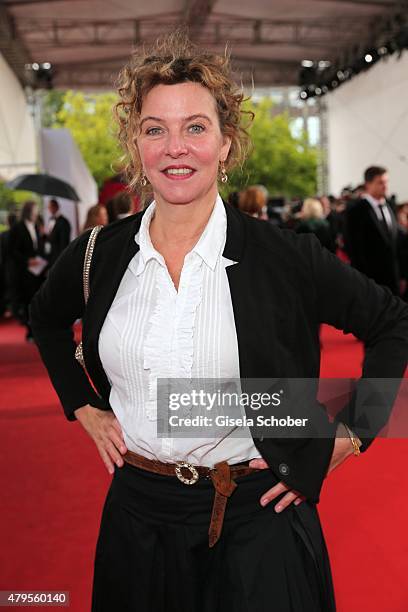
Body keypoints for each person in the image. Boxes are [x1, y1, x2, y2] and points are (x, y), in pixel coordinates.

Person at [30, 32, 408, 612]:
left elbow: (393, 323)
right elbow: (46, 321)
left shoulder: (286, 256)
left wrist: (352, 434)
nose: (175, 147)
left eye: (196, 127)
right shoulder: (98, 253)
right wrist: (81, 405)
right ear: (136, 145)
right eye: (155, 129)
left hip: (262, 521)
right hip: (137, 518)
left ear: (226, 144)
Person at [345, 166, 401, 294]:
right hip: (370, 281)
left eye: (386, 182)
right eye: (380, 182)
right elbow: (353, 248)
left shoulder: (390, 206)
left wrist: (401, 275)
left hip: (394, 280)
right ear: (368, 184)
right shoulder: (356, 211)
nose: (385, 186)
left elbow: (395, 242)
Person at [9, 201, 46, 340]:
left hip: (37, 272)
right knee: (27, 301)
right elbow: (12, 250)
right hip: (24, 272)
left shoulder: (36, 227)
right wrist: (27, 260)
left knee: (36, 300)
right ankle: (30, 331)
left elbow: (38, 247)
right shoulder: (17, 228)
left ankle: (35, 329)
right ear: (28, 212)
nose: (36, 214)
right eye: (34, 211)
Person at [45, 198, 71, 267]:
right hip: (51, 256)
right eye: (49, 207)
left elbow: (64, 242)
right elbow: (50, 237)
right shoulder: (50, 219)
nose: (49, 209)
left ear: (56, 207)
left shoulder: (64, 222)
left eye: (51, 207)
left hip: (58, 256)